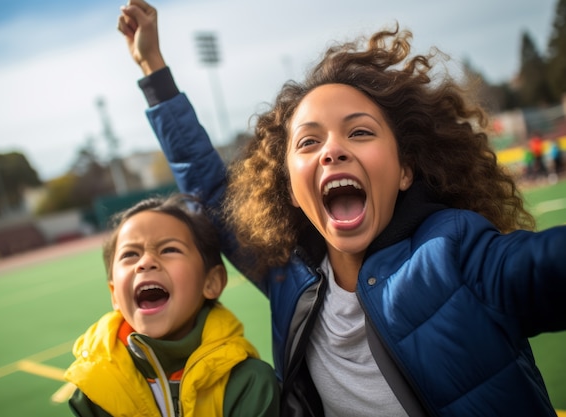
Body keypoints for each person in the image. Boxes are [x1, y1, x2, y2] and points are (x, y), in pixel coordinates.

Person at [118, 2, 566, 416]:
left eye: (360, 132)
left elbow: (542, 269)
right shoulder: (287, 277)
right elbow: (214, 191)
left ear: (405, 170)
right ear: (291, 190)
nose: (332, 151)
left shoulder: (455, 250)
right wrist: (153, 71)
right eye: (309, 141)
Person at [64, 194, 280, 417]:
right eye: (130, 254)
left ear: (211, 282)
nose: (145, 262)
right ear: (115, 295)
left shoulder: (248, 383)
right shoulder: (94, 390)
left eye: (169, 249)